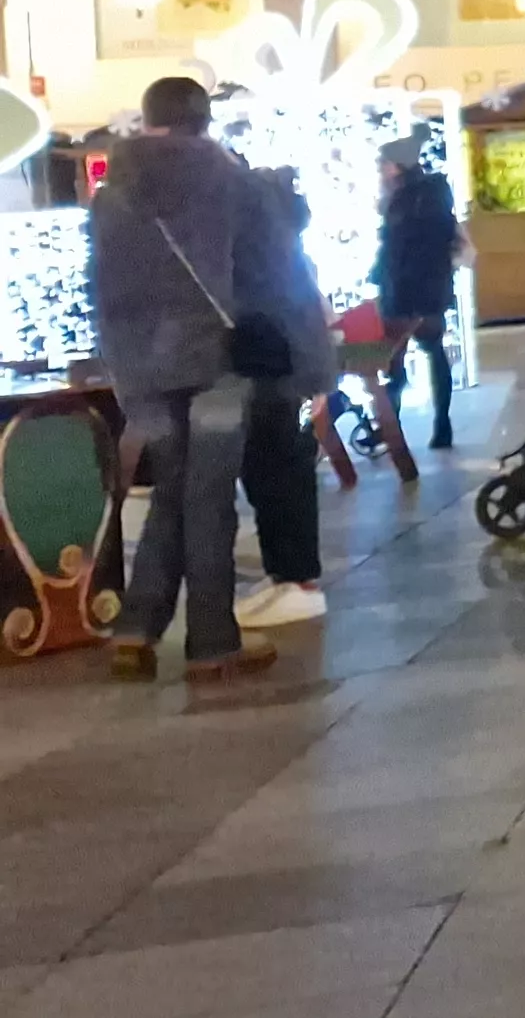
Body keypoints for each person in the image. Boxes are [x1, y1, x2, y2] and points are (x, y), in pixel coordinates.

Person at [90, 77, 331, 681]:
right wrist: (309, 360)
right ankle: (212, 640)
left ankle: (137, 628)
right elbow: (275, 275)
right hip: (216, 359)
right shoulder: (231, 183)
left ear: (146, 119)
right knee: (209, 498)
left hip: (143, 364)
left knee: (173, 489)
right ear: (204, 120)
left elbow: (101, 288)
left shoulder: (111, 195)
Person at [233, 171, 330, 630]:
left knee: (277, 471)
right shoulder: (280, 249)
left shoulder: (268, 253)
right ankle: (288, 576)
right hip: (278, 370)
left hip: (275, 371)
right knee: (271, 470)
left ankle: (298, 579)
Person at [371, 138, 461, 449]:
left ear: (397, 167)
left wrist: (381, 278)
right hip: (431, 288)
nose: (380, 171)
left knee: (393, 359)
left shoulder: (403, 200)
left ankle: (389, 426)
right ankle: (442, 424)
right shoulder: (432, 195)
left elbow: (397, 250)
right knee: (433, 353)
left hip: (404, 290)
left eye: (383, 164)